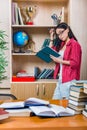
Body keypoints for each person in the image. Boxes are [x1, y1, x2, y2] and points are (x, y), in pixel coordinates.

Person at [49, 22, 82, 99]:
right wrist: (51, 38)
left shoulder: (74, 44)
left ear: (67, 30)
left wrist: (59, 61)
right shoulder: (62, 44)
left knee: (65, 107)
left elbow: (75, 63)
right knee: (54, 103)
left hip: (69, 80)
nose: (60, 36)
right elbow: (51, 51)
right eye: (58, 34)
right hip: (61, 79)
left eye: (61, 32)